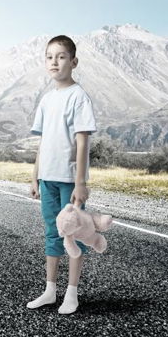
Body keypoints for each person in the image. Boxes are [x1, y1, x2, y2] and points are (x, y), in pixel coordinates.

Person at [27, 35, 98, 314]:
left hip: (70, 180)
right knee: (52, 233)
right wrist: (35, 177)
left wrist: (81, 183)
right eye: (49, 57)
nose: (54, 62)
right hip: (48, 178)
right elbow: (43, 142)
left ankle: (72, 294)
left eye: (61, 56)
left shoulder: (79, 97)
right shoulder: (46, 100)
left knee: (75, 234)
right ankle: (49, 291)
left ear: (73, 61)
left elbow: (83, 142)